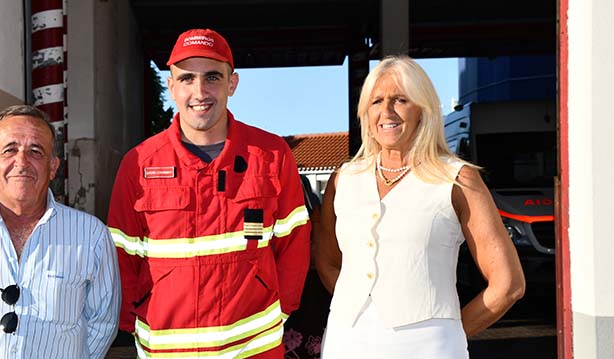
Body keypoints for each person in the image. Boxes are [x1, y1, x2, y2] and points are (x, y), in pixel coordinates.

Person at [108, 28, 311, 358]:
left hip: (253, 349)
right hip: (165, 350)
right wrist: (133, 319)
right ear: (172, 87)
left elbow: (294, 243)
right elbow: (120, 254)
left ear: (232, 84)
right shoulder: (139, 163)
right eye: (187, 78)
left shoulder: (272, 155)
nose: (199, 91)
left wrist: (282, 308)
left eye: (212, 77)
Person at [314, 55, 525, 358]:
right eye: (376, 102)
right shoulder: (343, 180)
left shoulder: (457, 179)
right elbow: (329, 262)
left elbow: (508, 285)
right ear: (365, 113)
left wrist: (449, 334)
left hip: (429, 348)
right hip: (345, 344)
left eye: (400, 99)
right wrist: (363, 310)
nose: (386, 111)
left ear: (423, 110)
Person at [0, 105, 120, 358]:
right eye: (10, 149)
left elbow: (102, 323)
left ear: (53, 167)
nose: (22, 162)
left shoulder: (91, 235)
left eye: (36, 151)